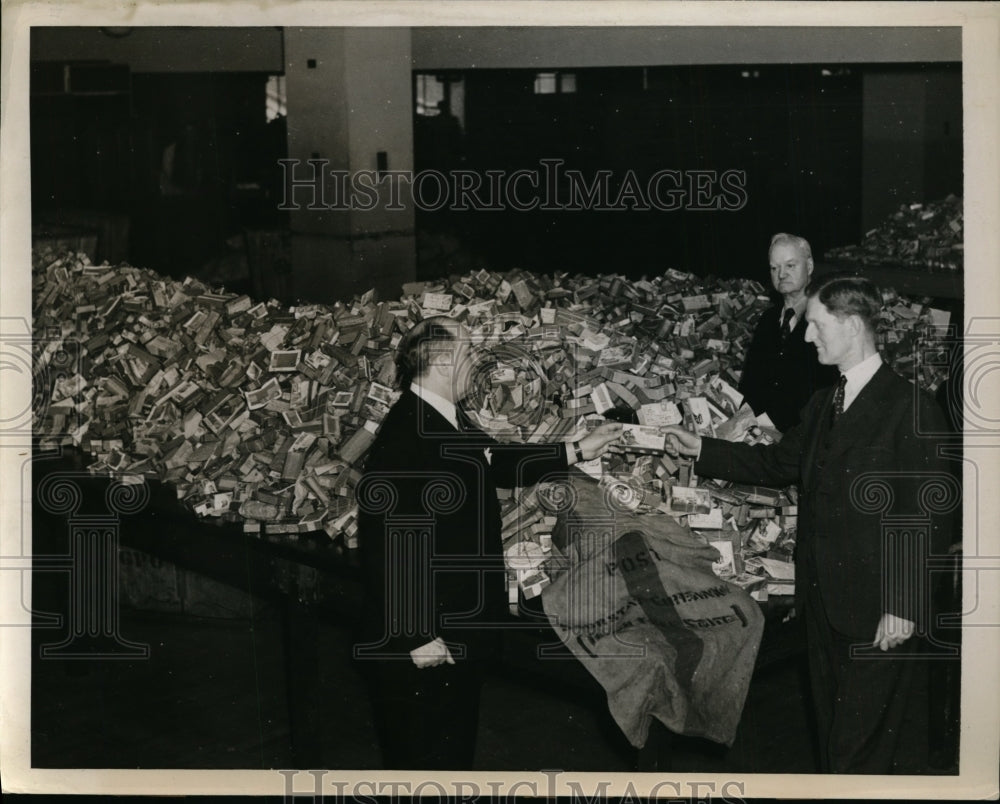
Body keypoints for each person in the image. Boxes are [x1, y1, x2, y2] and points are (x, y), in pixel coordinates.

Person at [661, 274, 953, 774]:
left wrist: (903, 604)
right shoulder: (824, 404)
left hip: (879, 613)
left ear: (853, 324)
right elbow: (776, 465)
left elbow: (929, 514)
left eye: (816, 324)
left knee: (858, 753)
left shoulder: (910, 407)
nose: (807, 335)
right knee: (834, 736)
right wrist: (703, 449)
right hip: (822, 606)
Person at [355, 315, 621, 769]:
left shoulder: (443, 416)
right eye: (469, 352)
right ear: (440, 361)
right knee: (425, 759)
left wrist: (576, 450)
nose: (477, 361)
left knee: (453, 751)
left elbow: (494, 458)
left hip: (457, 625)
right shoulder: (406, 437)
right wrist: (416, 635)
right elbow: (388, 542)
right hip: (430, 637)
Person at [738, 233, 838, 431]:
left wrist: (764, 423)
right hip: (756, 434)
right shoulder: (768, 320)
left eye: (790, 265)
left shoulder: (826, 320)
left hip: (801, 437)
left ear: (809, 266)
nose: (781, 274)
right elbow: (750, 383)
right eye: (775, 268)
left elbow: (823, 396)